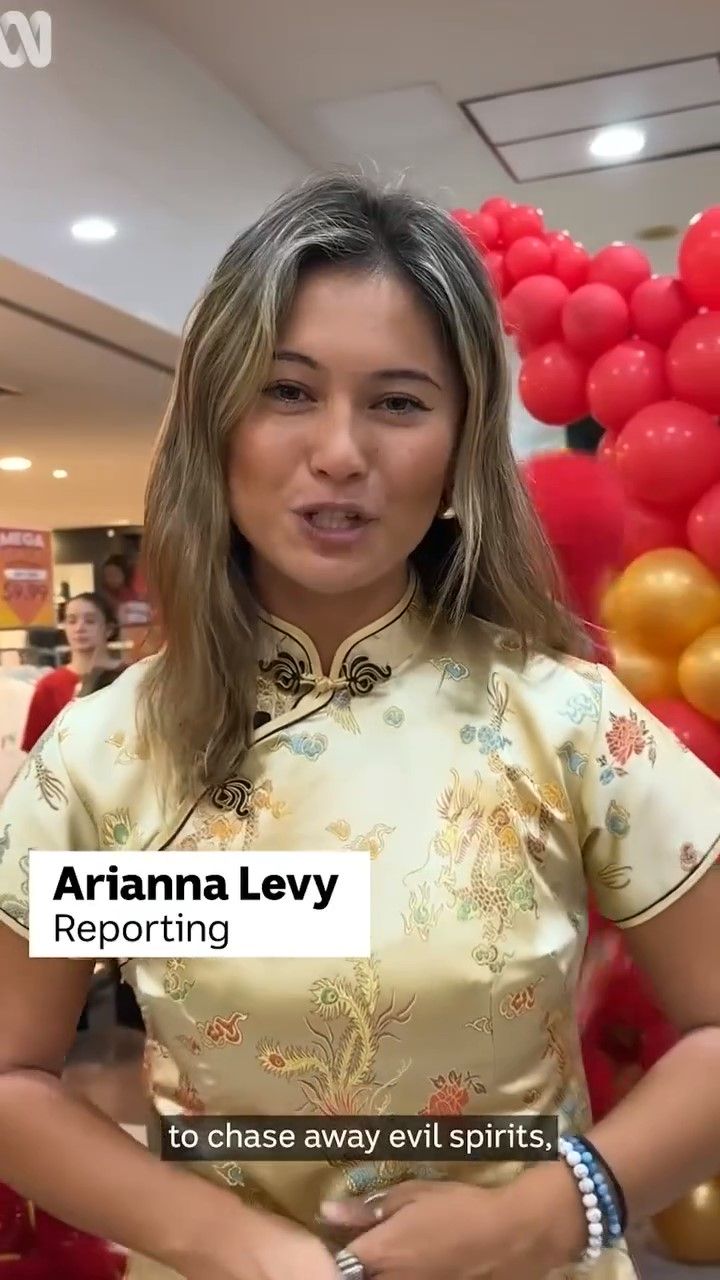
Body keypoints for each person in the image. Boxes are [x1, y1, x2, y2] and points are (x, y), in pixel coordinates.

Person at [0, 174, 718, 1280]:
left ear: (460, 447)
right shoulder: (107, 754)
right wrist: (232, 1242)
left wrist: (552, 1211)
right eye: (288, 391)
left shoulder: (568, 723)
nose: (340, 450)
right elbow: (14, 1073)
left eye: (398, 402)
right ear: (216, 422)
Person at [20, 592, 118, 752]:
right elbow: (35, 751)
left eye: (90, 621)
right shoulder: (49, 686)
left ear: (109, 629)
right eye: (71, 621)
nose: (79, 628)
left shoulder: (130, 677)